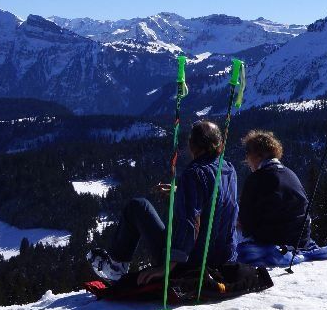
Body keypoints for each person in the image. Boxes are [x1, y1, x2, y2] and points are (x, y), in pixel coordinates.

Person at [88, 119, 239, 284]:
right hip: (222, 259)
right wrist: (181, 192)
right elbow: (217, 204)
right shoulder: (229, 170)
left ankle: (115, 269)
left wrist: (169, 265)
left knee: (138, 206)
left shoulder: (194, 173)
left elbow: (189, 222)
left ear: (192, 145)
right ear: (220, 144)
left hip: (190, 263)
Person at [237, 129, 311, 262]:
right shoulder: (290, 174)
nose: (246, 159)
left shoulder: (256, 178)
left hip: (273, 241)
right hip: (301, 240)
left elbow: (245, 220)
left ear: (258, 155)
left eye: (247, 153)